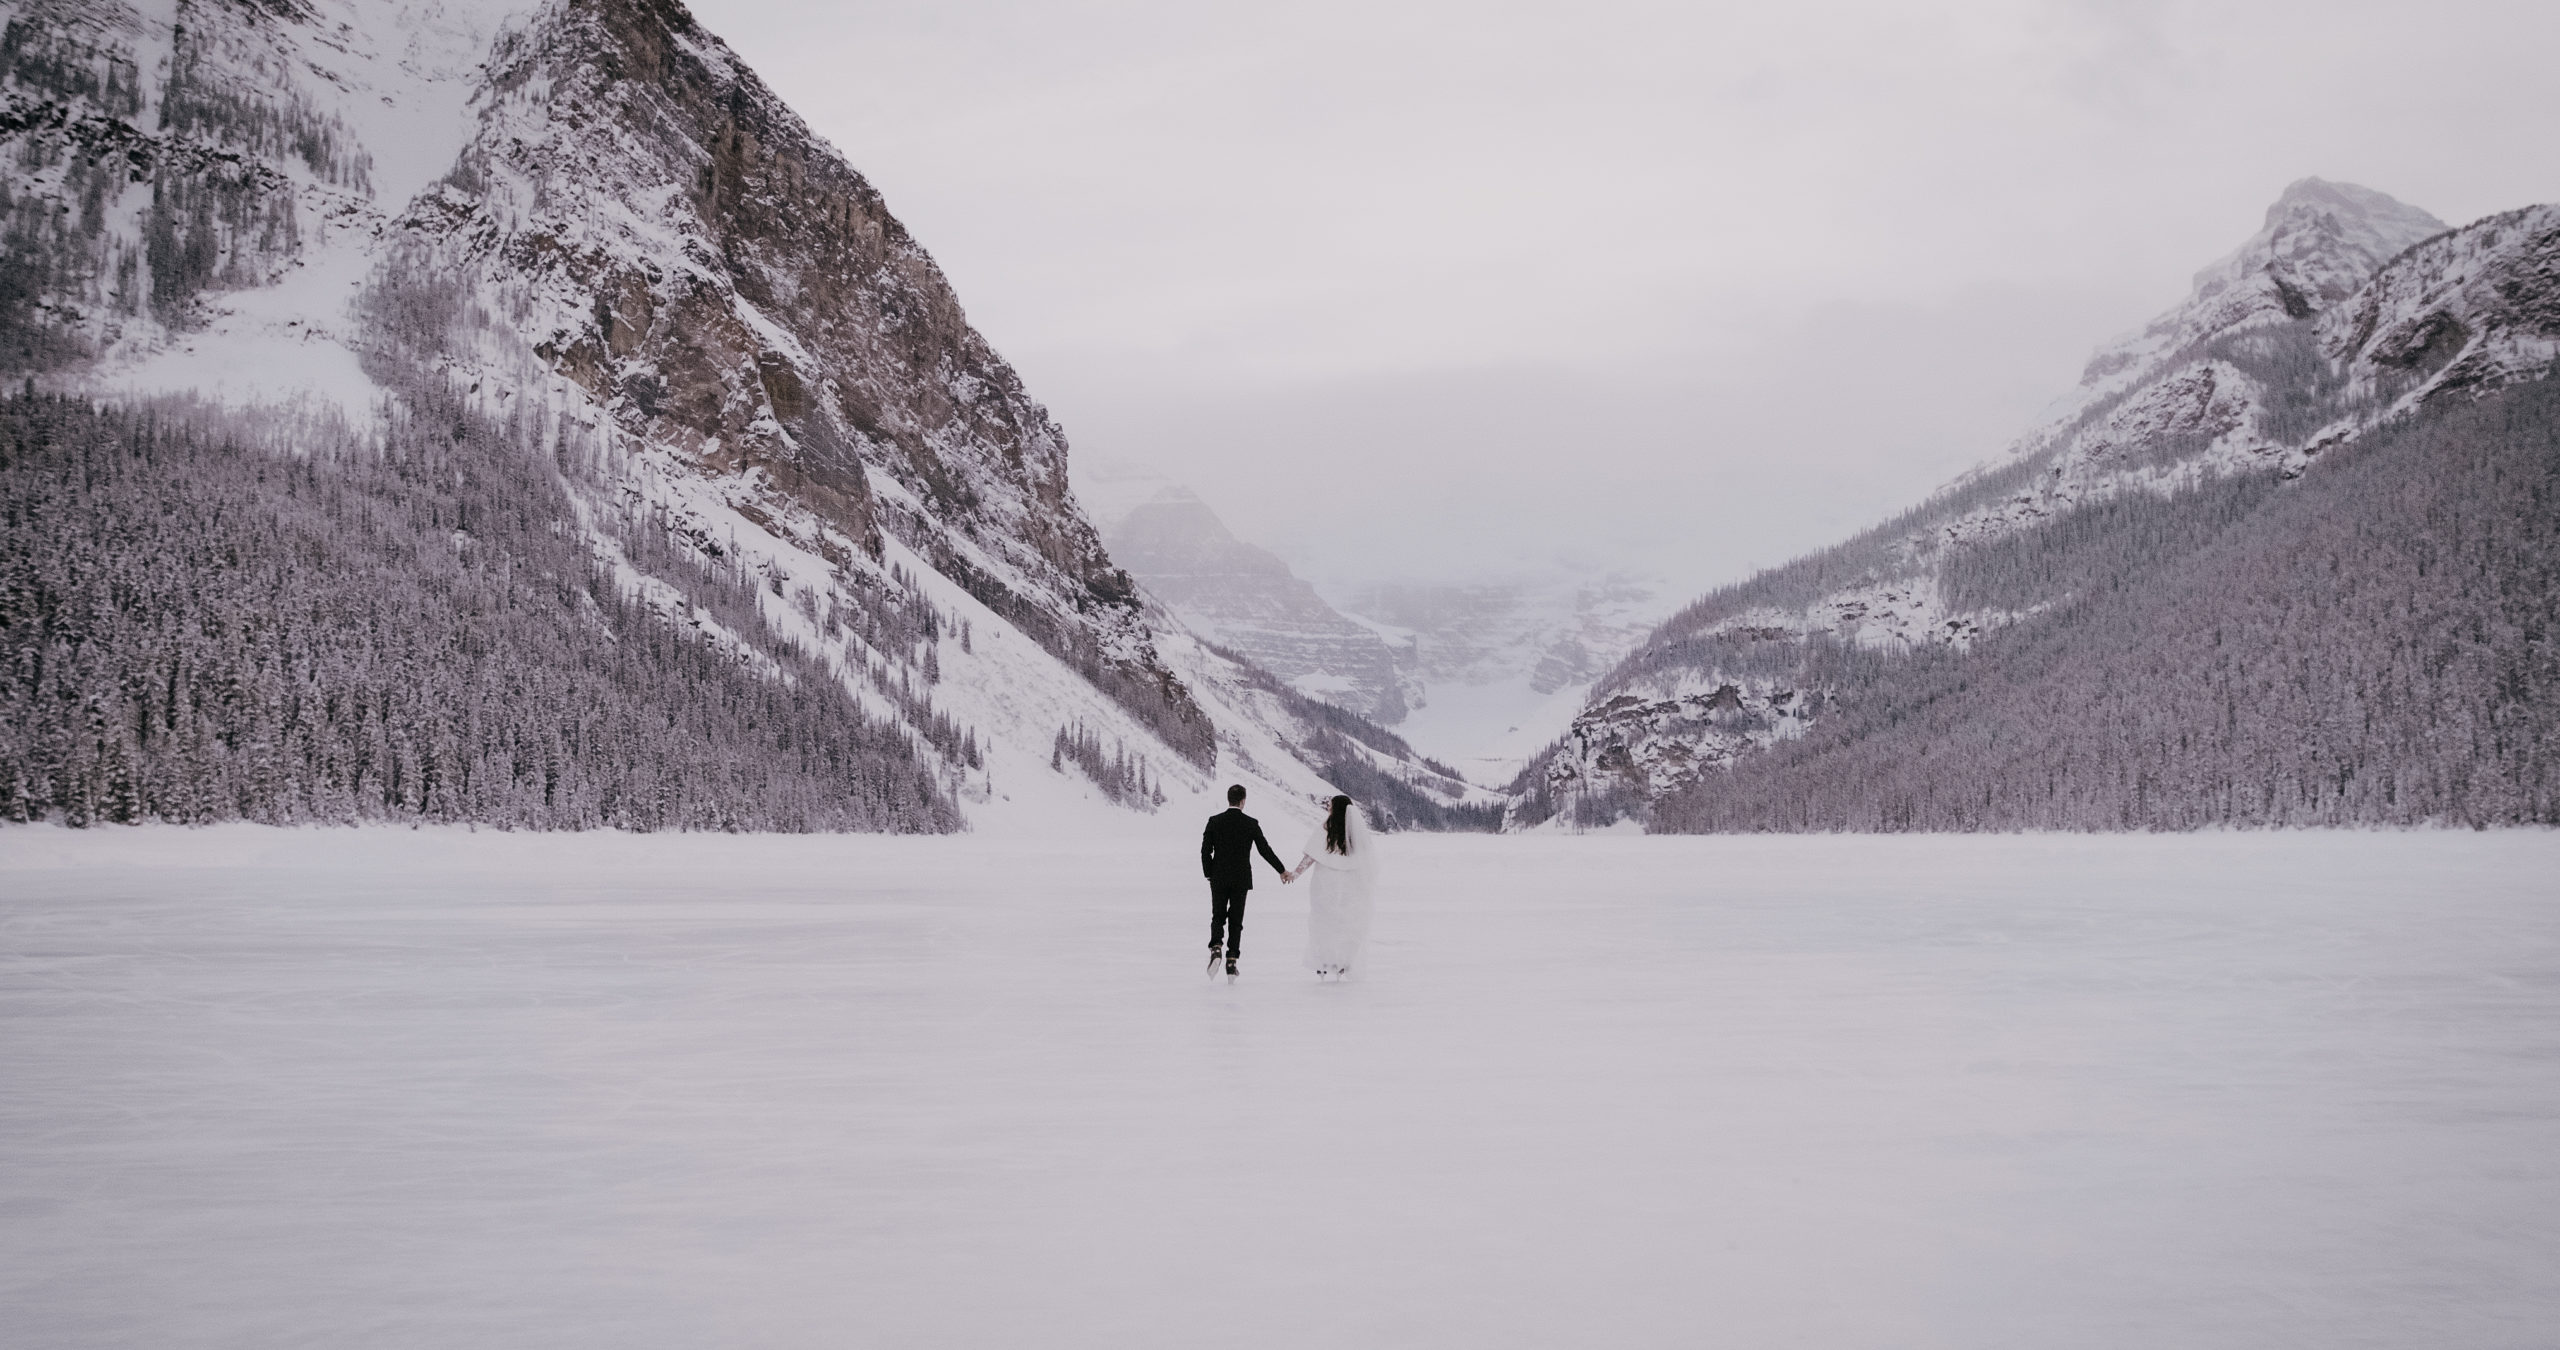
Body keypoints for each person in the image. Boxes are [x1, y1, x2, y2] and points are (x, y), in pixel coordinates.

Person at [1284, 795, 1379, 981]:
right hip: (1350, 883)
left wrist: (1295, 873)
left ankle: (1323, 962)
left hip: (1325, 882)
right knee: (1346, 922)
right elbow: (1366, 860)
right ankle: (1342, 962)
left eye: (1330, 805)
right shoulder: (1355, 833)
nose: (1328, 808)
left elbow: (1310, 856)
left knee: (1323, 921)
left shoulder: (1325, 828)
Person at [1200, 783, 1289, 979]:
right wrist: (1281, 870)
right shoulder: (1251, 823)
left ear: (1228, 799)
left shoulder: (1214, 821)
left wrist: (1209, 873)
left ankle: (1216, 947)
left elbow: (1205, 850)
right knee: (1236, 920)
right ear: (1243, 801)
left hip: (1219, 876)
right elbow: (1264, 850)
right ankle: (1232, 961)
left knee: (1218, 915)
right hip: (1241, 877)